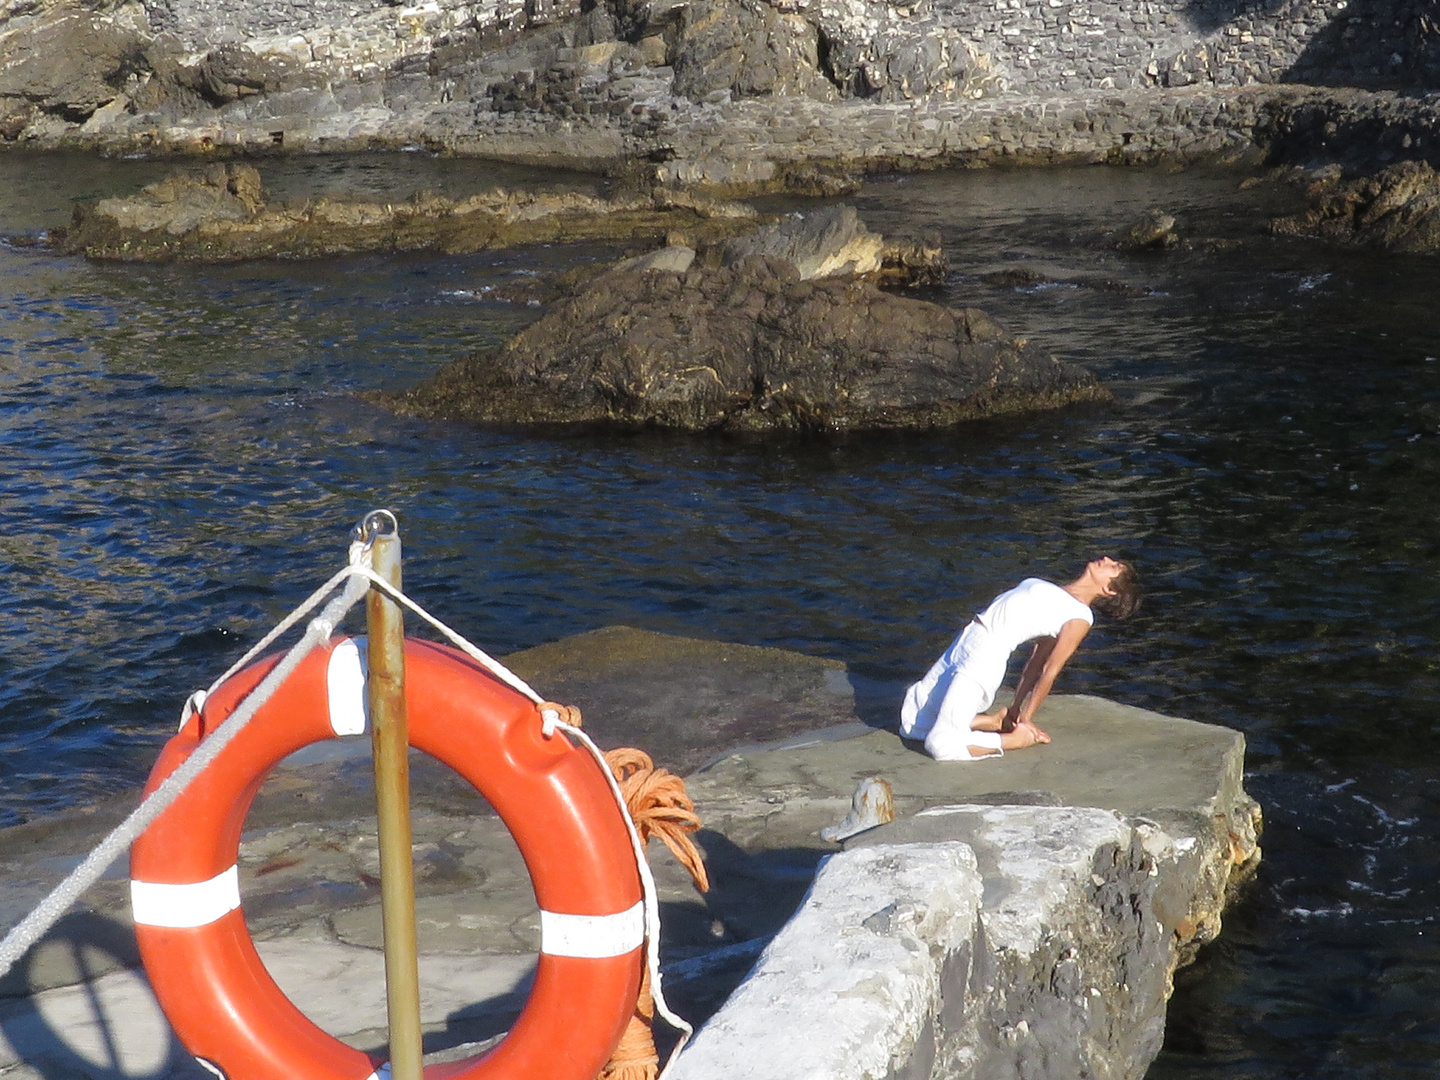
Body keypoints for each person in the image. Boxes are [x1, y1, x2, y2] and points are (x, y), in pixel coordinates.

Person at [900, 556, 1141, 762]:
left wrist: (1026, 718)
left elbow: (1048, 668)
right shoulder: (1058, 591)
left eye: (1114, 567)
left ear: (1110, 590)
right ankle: (991, 722)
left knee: (941, 745)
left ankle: (1014, 740)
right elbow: (1033, 662)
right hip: (966, 640)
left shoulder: (1080, 616)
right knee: (912, 723)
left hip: (986, 654)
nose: (1107, 560)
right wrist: (1014, 710)